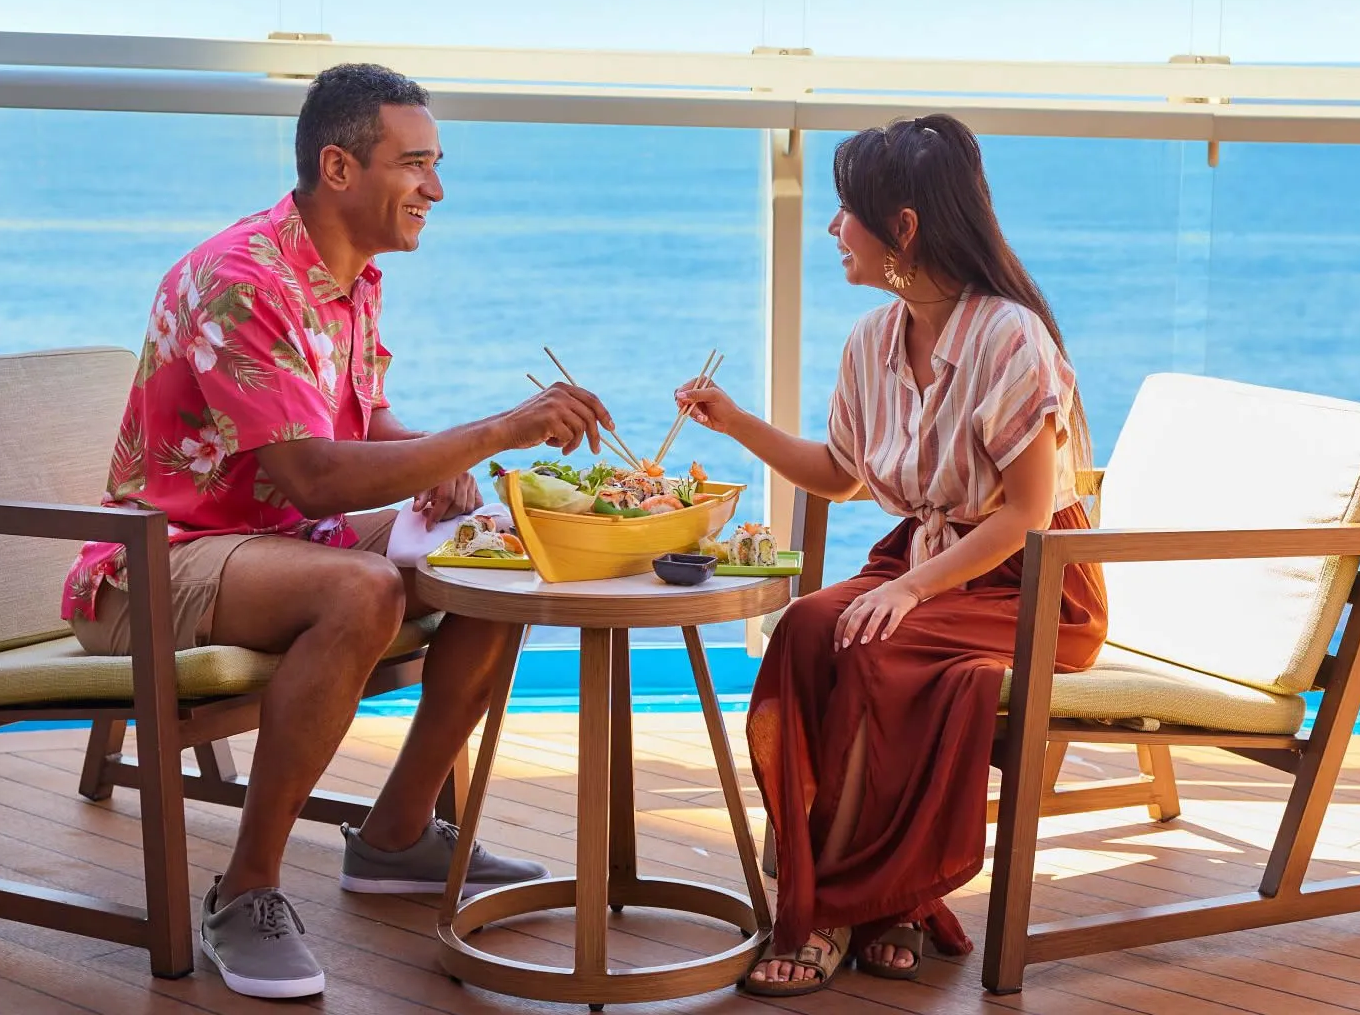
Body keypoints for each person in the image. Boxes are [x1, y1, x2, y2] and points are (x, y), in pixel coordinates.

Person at [60, 63, 615, 1000]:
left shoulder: (350, 277)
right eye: (417, 164)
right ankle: (247, 890)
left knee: (504, 548)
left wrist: (454, 475)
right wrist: (497, 429)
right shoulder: (242, 280)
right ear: (340, 168)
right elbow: (312, 472)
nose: (437, 188)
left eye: (437, 163)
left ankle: (397, 835)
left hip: (278, 546)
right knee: (366, 590)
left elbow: (365, 425)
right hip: (155, 568)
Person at [674, 113, 1107, 996]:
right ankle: (886, 898)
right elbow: (838, 473)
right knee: (804, 628)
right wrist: (739, 422)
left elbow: (1026, 514)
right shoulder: (872, 339)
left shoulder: (1010, 338)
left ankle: (829, 910)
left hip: (1033, 583)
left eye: (846, 211)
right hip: (925, 556)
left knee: (877, 648)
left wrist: (909, 592)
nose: (834, 229)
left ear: (902, 227)